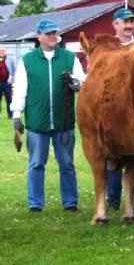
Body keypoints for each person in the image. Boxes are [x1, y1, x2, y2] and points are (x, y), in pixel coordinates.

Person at [10, 19, 85, 212]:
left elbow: (82, 83)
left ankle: (70, 203)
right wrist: (17, 114)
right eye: (48, 33)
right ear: (39, 36)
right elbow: (20, 89)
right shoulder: (28, 60)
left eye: (55, 33)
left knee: (67, 164)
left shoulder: (70, 57)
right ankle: (35, 204)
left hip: (64, 122)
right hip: (37, 121)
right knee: (36, 164)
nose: (53, 36)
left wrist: (75, 84)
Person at [106, 8, 134, 210]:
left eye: (132, 21)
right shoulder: (108, 49)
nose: (129, 25)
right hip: (115, 109)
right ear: (115, 24)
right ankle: (113, 197)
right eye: (125, 21)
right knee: (114, 155)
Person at [0, 46, 16, 119]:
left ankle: (10, 115)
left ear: (6, 52)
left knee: (9, 100)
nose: (2, 52)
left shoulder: (10, 59)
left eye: (3, 51)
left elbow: (14, 70)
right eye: (1, 51)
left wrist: (13, 79)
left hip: (7, 83)